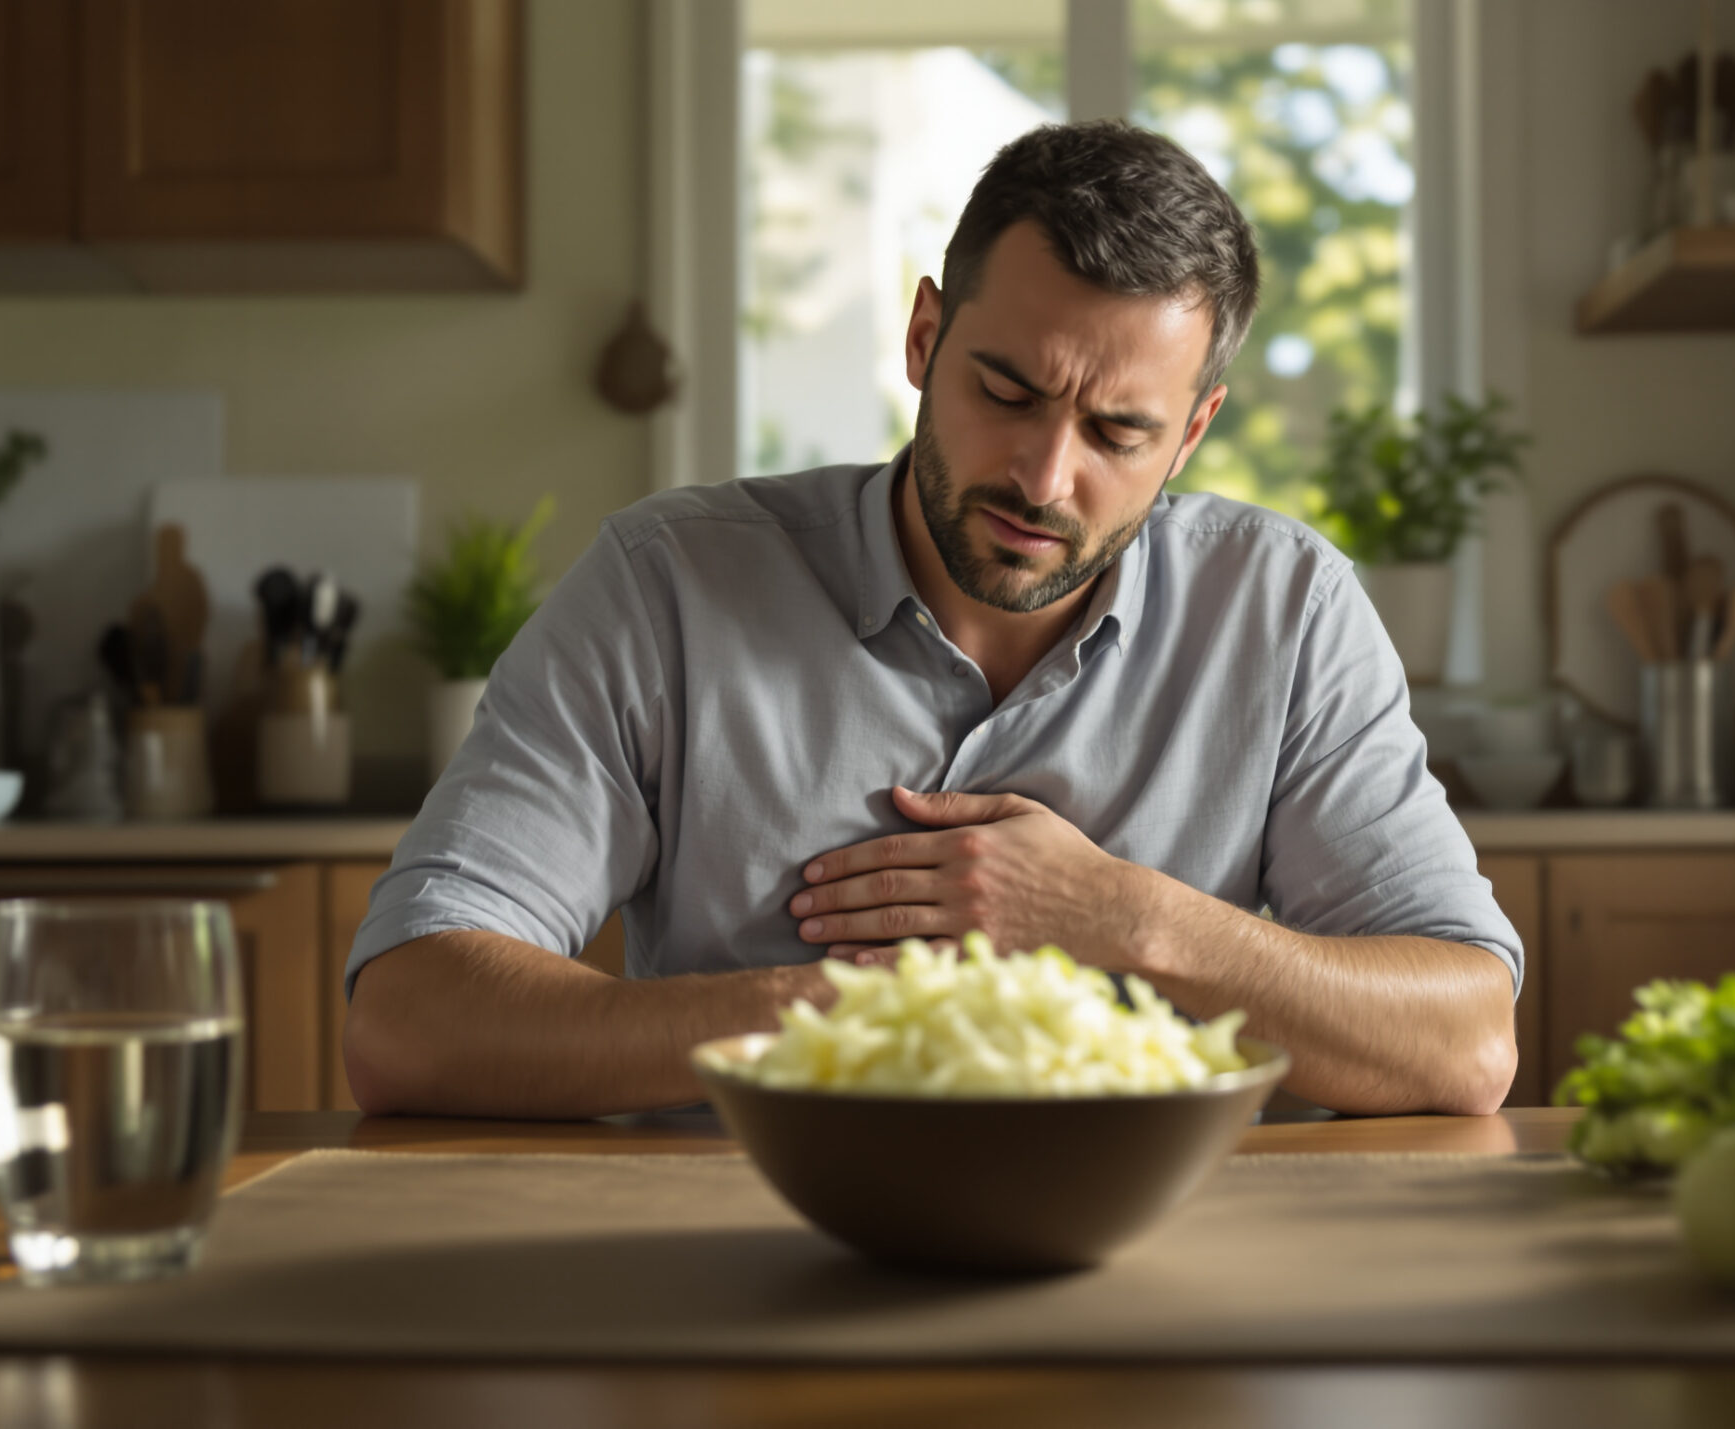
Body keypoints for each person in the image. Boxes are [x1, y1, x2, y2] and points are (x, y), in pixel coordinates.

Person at [344, 121, 1521, 1120]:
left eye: (1118, 433)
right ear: (923, 340)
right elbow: (406, 1019)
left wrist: (1119, 915)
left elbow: (1466, 1043)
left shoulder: (1287, 611)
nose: (1045, 477)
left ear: (1193, 432)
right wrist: (848, 1021)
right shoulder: (670, 585)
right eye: (1005, 393)